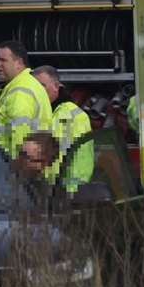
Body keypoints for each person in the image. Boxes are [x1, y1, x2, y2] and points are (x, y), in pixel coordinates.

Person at [34, 66, 97, 195]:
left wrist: (71, 192)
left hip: (63, 192)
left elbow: (81, 159)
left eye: (42, 86)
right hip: (40, 189)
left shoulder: (75, 116)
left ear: (56, 86)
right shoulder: (37, 112)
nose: (38, 92)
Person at [0, 40, 51, 159]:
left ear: (18, 63)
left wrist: (16, 170)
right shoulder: (28, 84)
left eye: (3, 60)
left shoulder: (20, 91)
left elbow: (20, 135)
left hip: (18, 167)